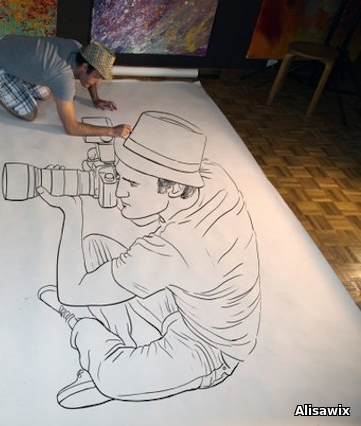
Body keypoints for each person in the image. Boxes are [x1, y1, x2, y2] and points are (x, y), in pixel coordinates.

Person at [36, 111, 262, 409]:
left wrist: (72, 212)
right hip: (183, 300)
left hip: (212, 346)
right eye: (120, 177)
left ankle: (81, 325)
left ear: (174, 187)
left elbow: (71, 291)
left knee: (114, 376)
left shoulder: (177, 244)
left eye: (131, 183)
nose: (119, 192)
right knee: (93, 248)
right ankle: (119, 345)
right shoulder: (209, 177)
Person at [0, 35, 132, 138]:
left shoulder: (77, 47)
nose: (98, 82)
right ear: (84, 67)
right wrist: (111, 131)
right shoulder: (62, 79)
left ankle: (13, 76)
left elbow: (89, 72)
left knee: (46, 94)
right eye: (97, 77)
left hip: (6, 44)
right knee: (30, 114)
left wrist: (96, 99)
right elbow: (72, 128)